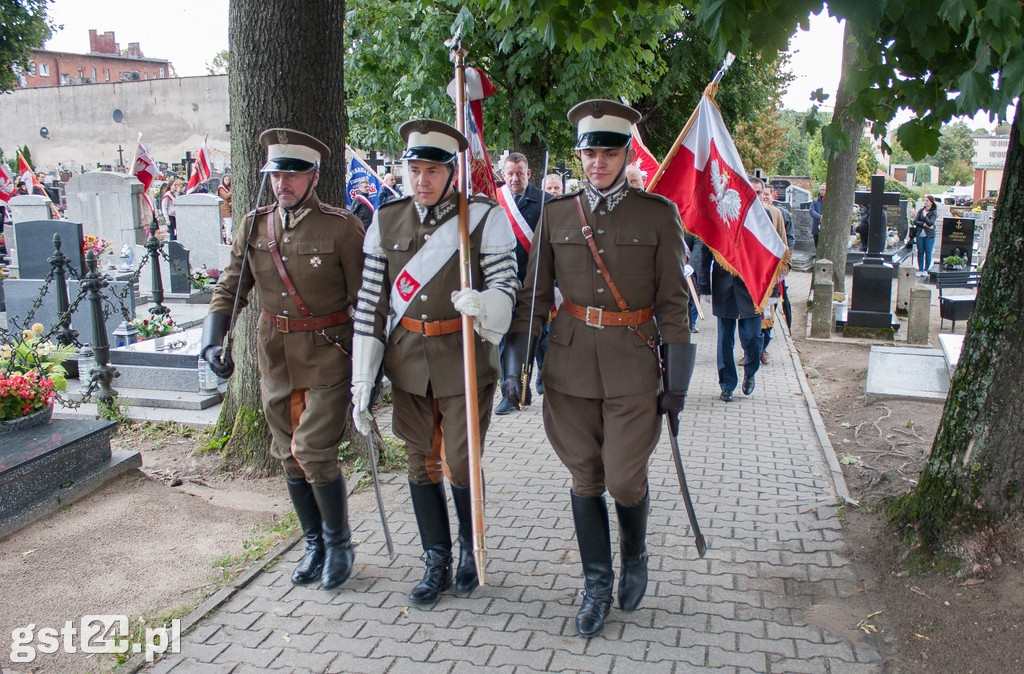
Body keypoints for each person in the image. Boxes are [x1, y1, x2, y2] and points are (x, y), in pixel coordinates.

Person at [501, 99, 694, 637]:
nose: (598, 162)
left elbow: (675, 305)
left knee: (625, 477)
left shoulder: (658, 215)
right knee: (586, 477)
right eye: (590, 153)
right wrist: (517, 357)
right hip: (569, 366)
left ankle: (635, 553)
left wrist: (677, 381)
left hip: (634, 365)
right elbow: (535, 294)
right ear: (579, 156)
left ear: (626, 154)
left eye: (609, 152)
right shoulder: (558, 216)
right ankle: (596, 584)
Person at [350, 119, 519, 606]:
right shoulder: (386, 220)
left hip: (463, 356)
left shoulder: (483, 217)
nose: (421, 180)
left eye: (431, 170)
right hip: (407, 360)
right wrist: (363, 378)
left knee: (460, 461)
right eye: (414, 169)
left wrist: (485, 305)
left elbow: (508, 287)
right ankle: (435, 559)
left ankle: (471, 548)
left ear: (451, 172)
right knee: (420, 461)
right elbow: (370, 304)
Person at [200, 128, 366, 592]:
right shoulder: (254, 225)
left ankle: (339, 543)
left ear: (314, 176)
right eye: (276, 174)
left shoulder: (341, 227)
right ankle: (312, 541)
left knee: (313, 450)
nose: (282, 183)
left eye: (293, 174)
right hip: (274, 355)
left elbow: (368, 300)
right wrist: (214, 340)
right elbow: (230, 288)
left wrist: (373, 365)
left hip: (329, 354)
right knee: (288, 456)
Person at [494, 151, 550, 415]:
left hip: (537, 284)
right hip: (507, 284)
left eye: (520, 173)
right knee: (507, 341)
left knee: (541, 340)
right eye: (510, 173)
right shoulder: (496, 202)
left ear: (529, 173)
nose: (515, 178)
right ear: (503, 175)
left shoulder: (546, 202)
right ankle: (512, 394)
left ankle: (546, 386)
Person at [694, 230, 762, 403]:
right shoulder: (717, 217)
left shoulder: (759, 214)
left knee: (753, 336)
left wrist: (773, 290)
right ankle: (727, 384)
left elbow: (767, 254)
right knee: (725, 339)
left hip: (751, 286)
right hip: (724, 285)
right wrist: (704, 287)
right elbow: (705, 253)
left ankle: (750, 371)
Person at [752, 178, 791, 365]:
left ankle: (764, 348)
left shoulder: (776, 213)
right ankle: (750, 351)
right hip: (750, 275)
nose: (760, 197)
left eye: (762, 193)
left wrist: (783, 269)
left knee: (767, 315)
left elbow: (783, 242)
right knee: (750, 317)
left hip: (769, 275)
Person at [911, 195, 938, 277]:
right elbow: (915, 221)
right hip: (920, 234)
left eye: (927, 200)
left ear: (931, 202)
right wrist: (923, 224)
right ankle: (920, 269)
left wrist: (925, 216)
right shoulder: (921, 210)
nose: (925, 202)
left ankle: (926, 270)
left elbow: (931, 223)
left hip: (929, 235)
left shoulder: (933, 212)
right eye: (925, 200)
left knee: (928, 252)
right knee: (920, 252)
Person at [218, 174, 233, 244]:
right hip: (224, 208)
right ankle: (228, 239)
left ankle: (229, 237)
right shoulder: (221, 188)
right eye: (226, 180)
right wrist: (231, 193)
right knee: (229, 224)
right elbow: (226, 196)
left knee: (230, 224)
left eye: (228, 180)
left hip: (230, 208)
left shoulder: (229, 187)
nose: (227, 181)